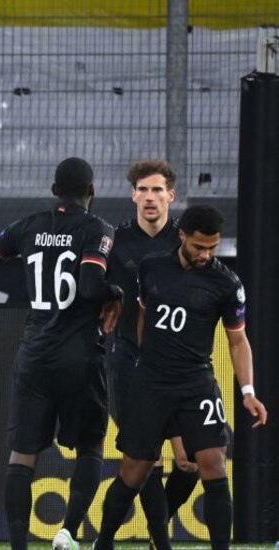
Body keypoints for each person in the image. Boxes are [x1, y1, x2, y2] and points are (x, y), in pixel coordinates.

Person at [94, 204, 268, 550]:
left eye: (213, 247)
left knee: (212, 464)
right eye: (199, 246)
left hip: (196, 383)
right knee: (135, 471)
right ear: (182, 236)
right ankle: (104, 542)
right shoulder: (152, 268)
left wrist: (248, 390)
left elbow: (237, 340)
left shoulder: (226, 283)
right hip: (152, 384)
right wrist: (149, 361)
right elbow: (144, 316)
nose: (206, 254)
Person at [0, 157, 123, 550]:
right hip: (79, 356)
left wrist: (21, 248)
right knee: (90, 446)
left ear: (54, 190)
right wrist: (116, 294)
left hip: (35, 353)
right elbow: (91, 286)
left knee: (22, 454)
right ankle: (67, 532)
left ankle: (18, 546)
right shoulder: (98, 229)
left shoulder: (30, 225)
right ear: (91, 192)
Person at [104, 159, 194, 550]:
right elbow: (96, 288)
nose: (150, 197)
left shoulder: (186, 242)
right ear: (133, 195)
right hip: (127, 361)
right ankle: (160, 542)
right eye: (143, 189)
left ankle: (159, 521)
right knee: (146, 462)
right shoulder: (116, 240)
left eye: (158, 190)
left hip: (177, 364)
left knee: (191, 460)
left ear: (171, 195)